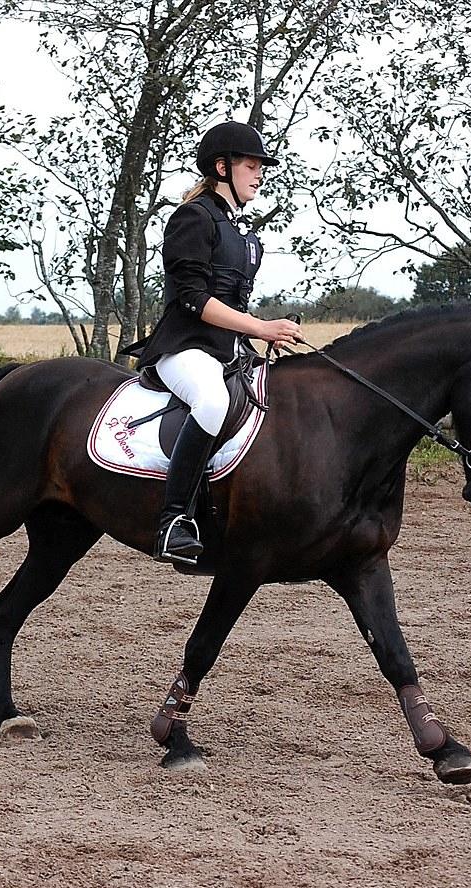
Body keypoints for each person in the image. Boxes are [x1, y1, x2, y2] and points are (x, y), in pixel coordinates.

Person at [135, 120, 303, 564]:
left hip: (230, 352)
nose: (260, 174)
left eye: (260, 167)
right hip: (185, 347)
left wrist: (263, 334)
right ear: (222, 167)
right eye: (252, 166)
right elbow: (192, 298)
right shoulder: (194, 217)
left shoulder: (245, 236)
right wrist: (259, 327)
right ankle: (174, 520)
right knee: (212, 403)